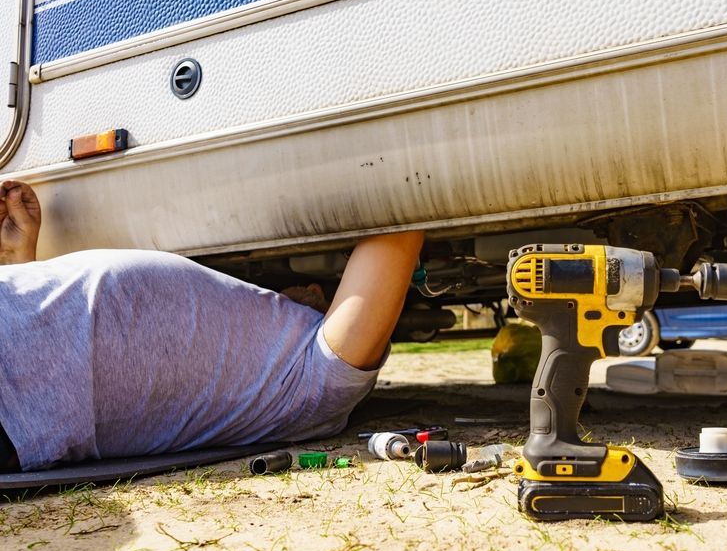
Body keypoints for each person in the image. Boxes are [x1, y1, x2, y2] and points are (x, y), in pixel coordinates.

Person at [0, 179, 423, 472]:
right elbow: (406, 212)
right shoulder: (316, 386)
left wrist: (21, 261)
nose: (306, 290)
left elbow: (402, 218)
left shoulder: (307, 389)